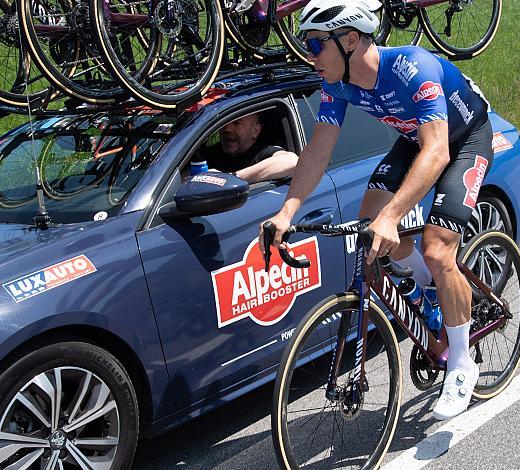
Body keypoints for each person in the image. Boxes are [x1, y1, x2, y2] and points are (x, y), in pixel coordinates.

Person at [259, 0, 494, 420]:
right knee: (371, 226)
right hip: (415, 140)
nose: (309, 57)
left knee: (438, 248)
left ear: (350, 40)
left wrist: (394, 216)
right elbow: (318, 151)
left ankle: (461, 362)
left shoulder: (412, 67)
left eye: (314, 45)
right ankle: (429, 291)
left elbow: (438, 151)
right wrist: (286, 213)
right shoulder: (339, 83)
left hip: (462, 141)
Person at [201, 113, 298, 184]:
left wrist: (231, 179)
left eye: (237, 123)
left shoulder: (263, 152)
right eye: (224, 123)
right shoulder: (213, 153)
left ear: (255, 131)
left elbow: (292, 162)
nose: (227, 129)